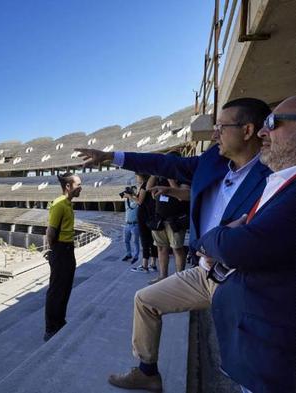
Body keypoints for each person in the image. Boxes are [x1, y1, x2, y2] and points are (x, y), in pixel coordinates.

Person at [75, 97, 272, 391]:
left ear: (247, 131)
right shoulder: (213, 161)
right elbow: (164, 162)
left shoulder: (271, 175)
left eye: (221, 127)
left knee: (249, 368)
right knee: (145, 300)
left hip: (243, 281)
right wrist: (111, 156)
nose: (214, 134)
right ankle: (147, 372)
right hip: (205, 271)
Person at [195, 96, 296, 392]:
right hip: (257, 348)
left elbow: (240, 246)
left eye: (273, 124)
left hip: (274, 359)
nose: (266, 132)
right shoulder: (279, 181)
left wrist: (211, 239)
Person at [44, 172, 82, 342]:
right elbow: (50, 233)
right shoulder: (59, 204)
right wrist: (55, 252)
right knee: (56, 290)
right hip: (60, 250)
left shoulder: (68, 204)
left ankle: (60, 321)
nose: (81, 188)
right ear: (68, 186)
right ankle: (51, 327)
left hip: (68, 250)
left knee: (65, 288)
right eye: (78, 184)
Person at [148, 173, 190, 284]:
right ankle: (163, 276)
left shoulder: (183, 178)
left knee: (177, 248)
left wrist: (170, 178)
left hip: (175, 221)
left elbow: (181, 196)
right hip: (160, 220)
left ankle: (179, 278)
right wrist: (154, 173)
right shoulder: (160, 177)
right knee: (161, 248)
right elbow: (148, 188)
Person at [130, 174, 158, 273]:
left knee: (145, 241)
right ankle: (153, 264)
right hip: (151, 215)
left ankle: (144, 265)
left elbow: (140, 201)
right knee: (153, 241)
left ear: (141, 176)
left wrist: (129, 196)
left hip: (143, 217)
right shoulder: (152, 183)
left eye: (136, 175)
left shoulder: (144, 185)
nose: (136, 178)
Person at [121, 185, 140, 263]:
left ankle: (136, 256)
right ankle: (129, 254)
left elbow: (137, 201)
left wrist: (130, 196)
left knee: (135, 242)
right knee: (126, 240)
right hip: (127, 224)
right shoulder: (127, 200)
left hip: (135, 225)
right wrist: (127, 196)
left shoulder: (136, 200)